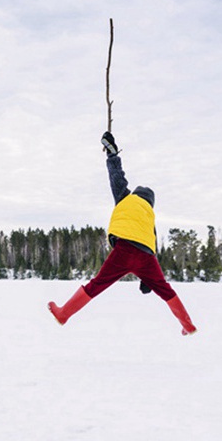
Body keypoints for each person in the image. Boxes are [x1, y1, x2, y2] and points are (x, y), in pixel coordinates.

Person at [47, 131, 197, 335]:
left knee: (96, 285)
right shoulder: (149, 216)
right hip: (145, 257)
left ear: (137, 194)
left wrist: (112, 153)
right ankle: (188, 325)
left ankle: (64, 314)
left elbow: (116, 175)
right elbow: (153, 246)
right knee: (166, 290)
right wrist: (147, 280)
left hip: (124, 250)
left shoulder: (126, 198)